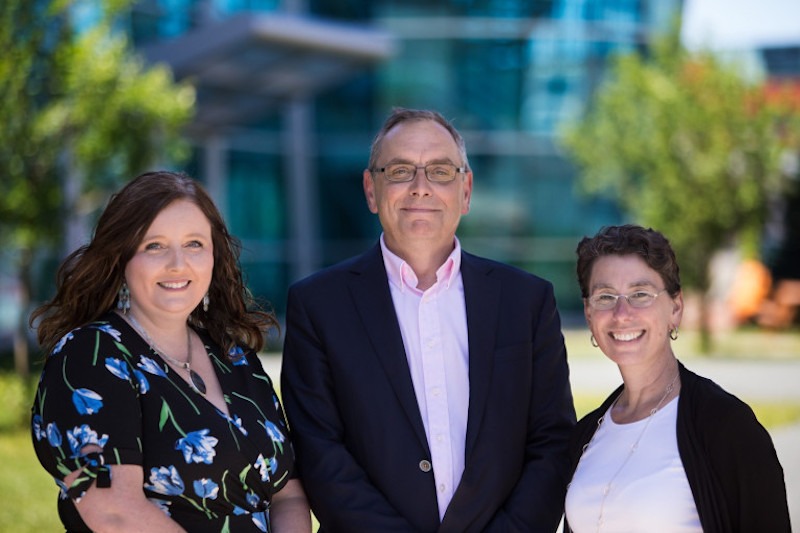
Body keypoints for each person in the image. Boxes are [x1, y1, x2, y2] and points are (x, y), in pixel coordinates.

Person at [281, 108, 576, 532]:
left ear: (466, 190)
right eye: (400, 170)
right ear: (371, 189)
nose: (421, 188)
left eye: (439, 171)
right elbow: (320, 453)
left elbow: (551, 445)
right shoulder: (317, 306)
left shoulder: (527, 301)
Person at [30, 171, 311, 532]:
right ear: (121, 259)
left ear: (214, 255)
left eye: (194, 244)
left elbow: (288, 493)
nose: (178, 264)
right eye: (154, 246)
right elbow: (114, 513)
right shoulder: (91, 356)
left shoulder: (237, 358)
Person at [564, 224, 791, 532]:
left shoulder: (726, 426)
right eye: (605, 297)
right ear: (589, 314)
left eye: (640, 294)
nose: (621, 313)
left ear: (675, 307)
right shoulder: (587, 433)